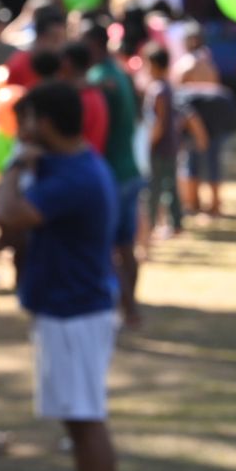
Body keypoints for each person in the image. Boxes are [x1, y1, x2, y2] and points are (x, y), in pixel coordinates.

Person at [0, 81, 121, 471]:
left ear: (45, 124)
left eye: (27, 120)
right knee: (78, 421)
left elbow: (10, 214)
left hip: (76, 313)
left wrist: (11, 165)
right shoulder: (69, 164)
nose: (21, 129)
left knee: (88, 424)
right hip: (68, 308)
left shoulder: (75, 177)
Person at [82, 23, 144, 326]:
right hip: (129, 170)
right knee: (126, 245)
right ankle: (131, 306)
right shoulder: (118, 72)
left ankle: (126, 306)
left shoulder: (99, 79)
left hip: (113, 174)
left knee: (110, 247)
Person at [171, 23, 236, 218]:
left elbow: (179, 98)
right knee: (212, 162)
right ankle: (214, 205)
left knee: (191, 163)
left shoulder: (186, 64)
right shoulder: (209, 62)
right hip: (213, 121)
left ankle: (192, 205)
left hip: (193, 121)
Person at [140, 43, 198, 238]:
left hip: (160, 146)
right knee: (170, 185)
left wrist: (149, 144)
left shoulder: (157, 90)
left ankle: (151, 225)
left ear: (154, 64)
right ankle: (177, 223)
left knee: (155, 187)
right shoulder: (169, 86)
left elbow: (159, 122)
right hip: (171, 144)